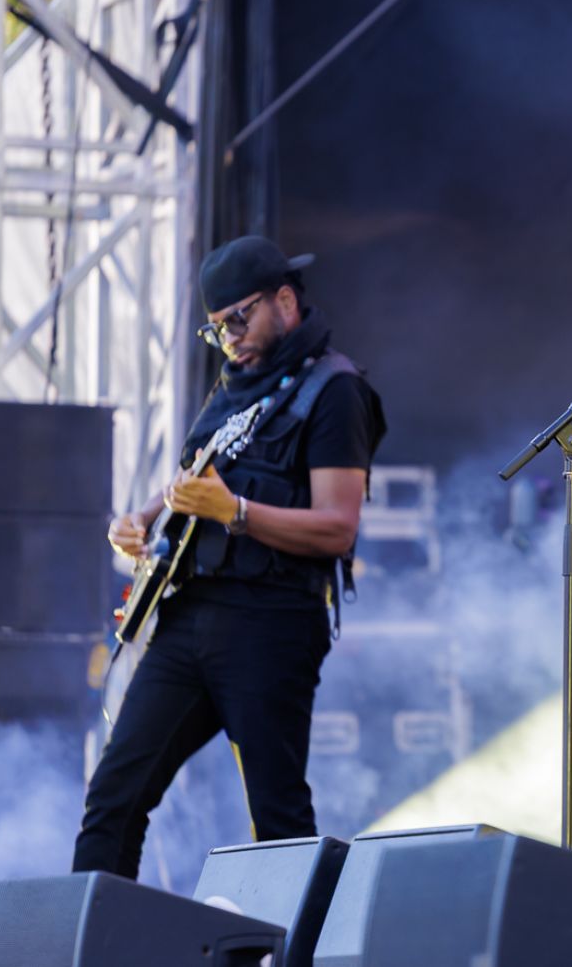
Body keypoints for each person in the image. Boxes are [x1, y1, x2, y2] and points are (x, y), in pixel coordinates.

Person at [72, 234, 385, 879]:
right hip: (189, 621)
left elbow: (337, 528)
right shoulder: (231, 391)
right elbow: (195, 483)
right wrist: (142, 518)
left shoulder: (336, 391)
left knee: (279, 821)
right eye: (217, 331)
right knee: (113, 799)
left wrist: (236, 515)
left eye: (240, 319)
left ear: (286, 301)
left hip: (272, 624)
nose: (231, 339)